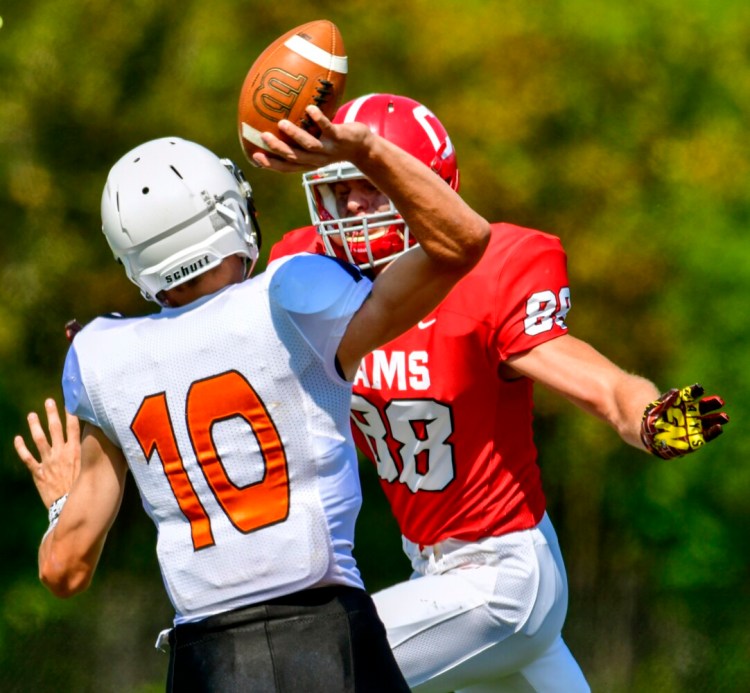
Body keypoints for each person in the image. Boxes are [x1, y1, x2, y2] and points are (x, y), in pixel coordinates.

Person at [13, 105, 490, 692]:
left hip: (207, 665)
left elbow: (64, 570)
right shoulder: (292, 296)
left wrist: (63, 503)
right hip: (330, 643)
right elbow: (465, 241)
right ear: (231, 215)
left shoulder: (100, 355)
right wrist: (363, 150)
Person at [268, 93, 730, 692]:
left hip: (502, 575)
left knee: (319, 668)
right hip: (433, 572)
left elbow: (602, 386)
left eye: (374, 184)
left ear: (427, 186)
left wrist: (650, 418)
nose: (354, 203)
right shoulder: (314, 282)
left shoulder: (484, 278)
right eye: (342, 187)